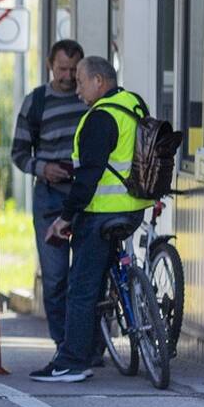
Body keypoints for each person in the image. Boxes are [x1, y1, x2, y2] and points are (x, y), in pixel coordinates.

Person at [32, 56, 154, 383]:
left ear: (99, 82)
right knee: (101, 277)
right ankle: (96, 345)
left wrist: (65, 217)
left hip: (101, 214)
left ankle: (73, 361)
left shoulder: (100, 118)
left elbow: (88, 178)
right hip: (133, 208)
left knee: (82, 288)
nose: (78, 91)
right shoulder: (134, 104)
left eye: (83, 83)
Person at [11, 39, 86, 353]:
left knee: (85, 277)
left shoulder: (90, 99)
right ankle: (63, 345)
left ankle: (86, 345)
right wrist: (43, 168)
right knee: (55, 278)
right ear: (49, 66)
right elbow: (17, 152)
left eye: (73, 70)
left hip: (86, 197)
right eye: (61, 69)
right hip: (49, 198)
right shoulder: (36, 101)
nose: (67, 76)